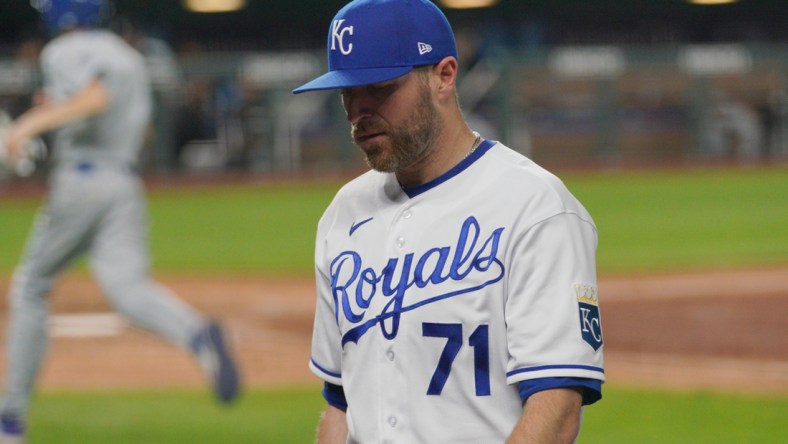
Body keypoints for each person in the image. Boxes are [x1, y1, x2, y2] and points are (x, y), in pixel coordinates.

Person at [292, 1, 605, 442]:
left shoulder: (535, 206)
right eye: (347, 92)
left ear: (444, 75)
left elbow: (556, 407)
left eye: (378, 88)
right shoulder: (343, 214)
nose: (357, 112)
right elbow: (341, 404)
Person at [0, 1, 240, 441]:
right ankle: (198, 336)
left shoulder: (63, 51)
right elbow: (116, 111)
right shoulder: (130, 54)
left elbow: (94, 98)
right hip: (123, 183)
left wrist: (26, 126)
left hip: (82, 181)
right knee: (128, 289)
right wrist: (54, 108)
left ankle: (10, 419)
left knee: (31, 286)